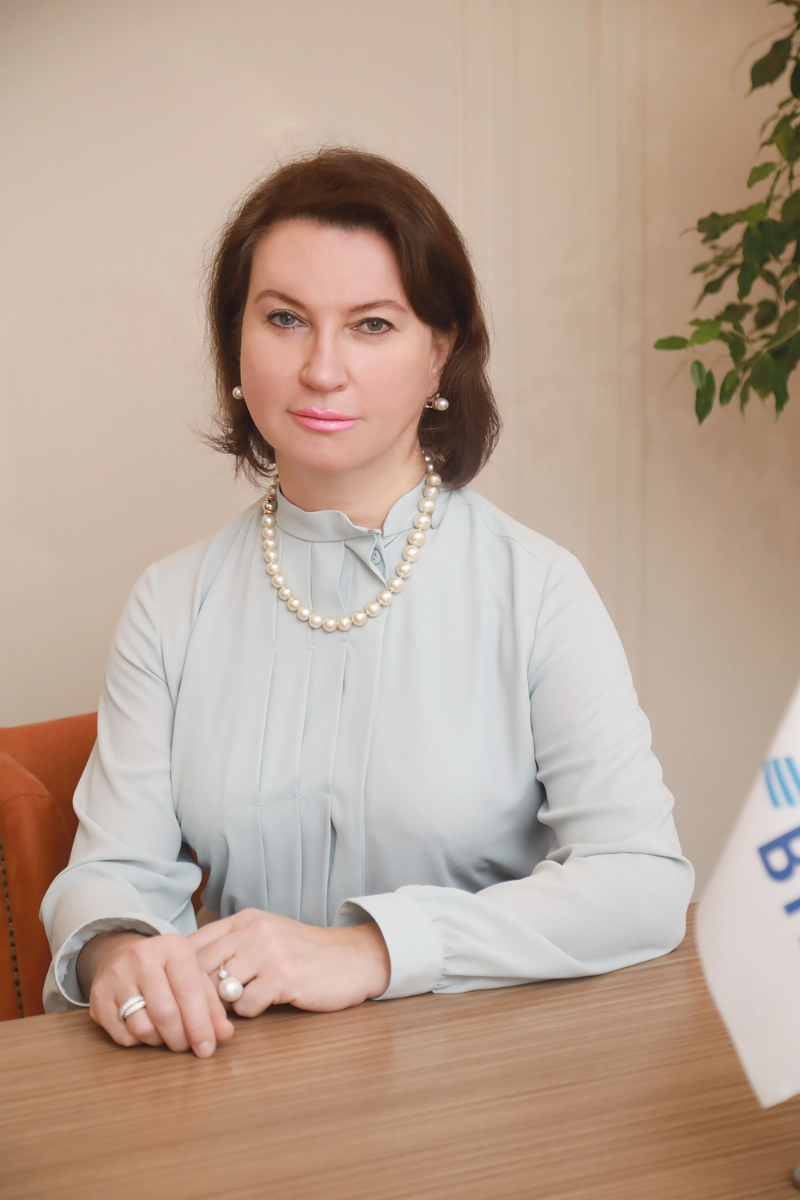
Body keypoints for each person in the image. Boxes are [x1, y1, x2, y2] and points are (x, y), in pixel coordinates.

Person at [41, 148, 694, 1057]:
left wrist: (372, 950)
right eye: (285, 319)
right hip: (231, 1079)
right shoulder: (170, 603)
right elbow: (112, 871)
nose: (321, 369)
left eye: (373, 325)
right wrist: (120, 953)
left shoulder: (538, 590)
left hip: (481, 1084)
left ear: (440, 354)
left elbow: (642, 881)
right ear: (236, 343)